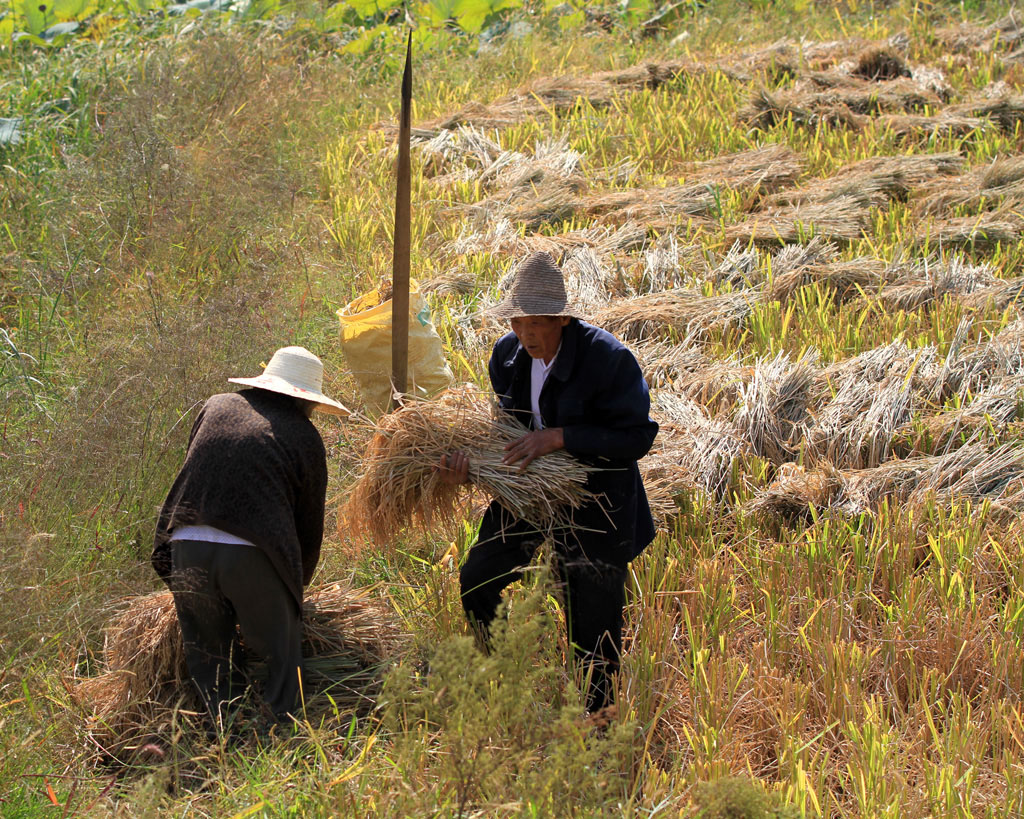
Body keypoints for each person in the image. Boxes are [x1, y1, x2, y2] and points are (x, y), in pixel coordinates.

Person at [439, 251, 658, 714]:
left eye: (539, 322)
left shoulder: (608, 360)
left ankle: (597, 722)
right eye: (520, 322)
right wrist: (470, 467)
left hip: (596, 499)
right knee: (477, 578)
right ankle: (507, 675)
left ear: (562, 319)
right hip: (528, 490)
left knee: (591, 618)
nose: (528, 333)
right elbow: (506, 432)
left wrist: (560, 437)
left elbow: (638, 437)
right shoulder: (508, 356)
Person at [152, 346, 349, 727]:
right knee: (281, 655)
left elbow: (201, 466)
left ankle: (223, 733)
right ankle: (280, 732)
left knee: (209, 653)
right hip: (252, 553)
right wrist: (294, 593)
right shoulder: (304, 436)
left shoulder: (216, 405)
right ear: (307, 402)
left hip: (186, 542)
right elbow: (308, 528)